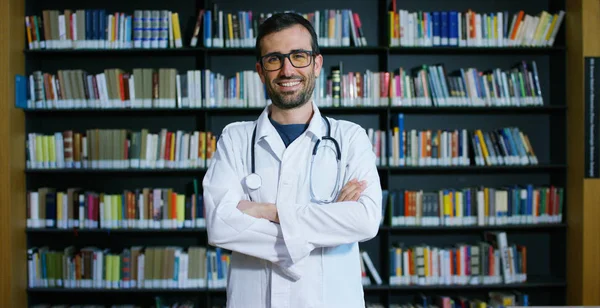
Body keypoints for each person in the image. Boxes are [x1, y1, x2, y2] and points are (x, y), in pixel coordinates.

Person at [202, 12, 382, 308]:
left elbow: (364, 221)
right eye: (274, 59)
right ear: (260, 71)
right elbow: (220, 225)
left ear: (317, 63)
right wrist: (327, 222)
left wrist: (269, 212)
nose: (287, 70)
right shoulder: (235, 139)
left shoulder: (350, 137)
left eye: (299, 56)